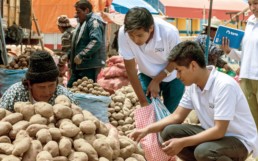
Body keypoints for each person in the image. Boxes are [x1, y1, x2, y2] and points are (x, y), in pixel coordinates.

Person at [129, 41, 258, 161]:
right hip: (214, 135)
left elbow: (219, 130)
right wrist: (146, 130)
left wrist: (183, 142)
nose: (177, 76)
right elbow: (177, 116)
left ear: (193, 66)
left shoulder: (224, 85)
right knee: (169, 132)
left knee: (203, 152)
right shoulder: (192, 86)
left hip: (239, 140)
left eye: (179, 71)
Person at [118, 7, 184, 113]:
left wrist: (157, 80)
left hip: (172, 74)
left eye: (140, 35)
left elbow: (176, 60)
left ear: (151, 28)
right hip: (146, 74)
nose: (135, 40)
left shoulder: (169, 32)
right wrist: (143, 102)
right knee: (149, 112)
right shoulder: (124, 32)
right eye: (132, 36)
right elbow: (130, 70)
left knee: (170, 116)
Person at [221, 0, 258, 130]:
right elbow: (248, 54)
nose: (253, 8)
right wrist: (229, 51)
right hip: (247, 78)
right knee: (251, 120)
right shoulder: (250, 23)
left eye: (256, 3)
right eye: (250, 4)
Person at [0, 50, 75, 111]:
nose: (47, 92)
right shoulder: (14, 95)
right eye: (41, 87)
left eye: (51, 85)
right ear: (29, 84)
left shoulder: (64, 96)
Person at [67, 0, 106, 88]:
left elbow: (96, 41)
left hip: (89, 66)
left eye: (79, 12)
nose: (76, 15)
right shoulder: (82, 23)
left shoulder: (93, 22)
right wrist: (68, 55)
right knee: (71, 88)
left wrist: (81, 55)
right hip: (80, 66)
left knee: (86, 89)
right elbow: (77, 43)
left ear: (87, 11)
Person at [56, 15, 75, 85]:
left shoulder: (66, 35)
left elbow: (65, 53)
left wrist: (60, 64)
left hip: (74, 62)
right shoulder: (74, 30)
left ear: (60, 27)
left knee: (72, 83)